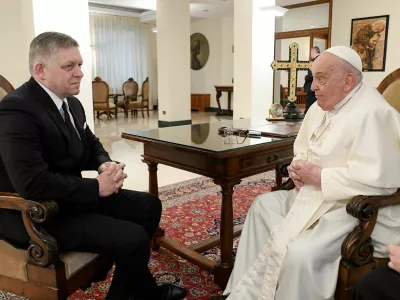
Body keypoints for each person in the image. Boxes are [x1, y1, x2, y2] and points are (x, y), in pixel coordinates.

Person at [0, 32, 187, 300]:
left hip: (69, 199)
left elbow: (91, 144)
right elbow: (32, 183)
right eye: (69, 66)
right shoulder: (17, 110)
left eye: (80, 65)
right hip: (35, 214)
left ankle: (131, 293)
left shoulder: (72, 104)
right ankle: (144, 294)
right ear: (40, 70)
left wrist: (104, 164)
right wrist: (96, 187)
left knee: (149, 206)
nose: (80, 73)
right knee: (132, 237)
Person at [209, 46, 400, 300]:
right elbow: (304, 148)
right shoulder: (320, 106)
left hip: (348, 208)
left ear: (348, 81)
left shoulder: (377, 114)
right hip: (312, 194)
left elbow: (380, 184)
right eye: (314, 77)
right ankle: (244, 292)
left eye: (321, 78)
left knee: (300, 252)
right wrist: (298, 168)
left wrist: (320, 177)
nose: (312, 88)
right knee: (263, 206)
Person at [303, 46, 320, 114]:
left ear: (312, 52)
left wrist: (306, 77)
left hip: (312, 87)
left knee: (310, 105)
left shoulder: (313, 62)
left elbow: (312, 75)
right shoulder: (323, 60)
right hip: (321, 87)